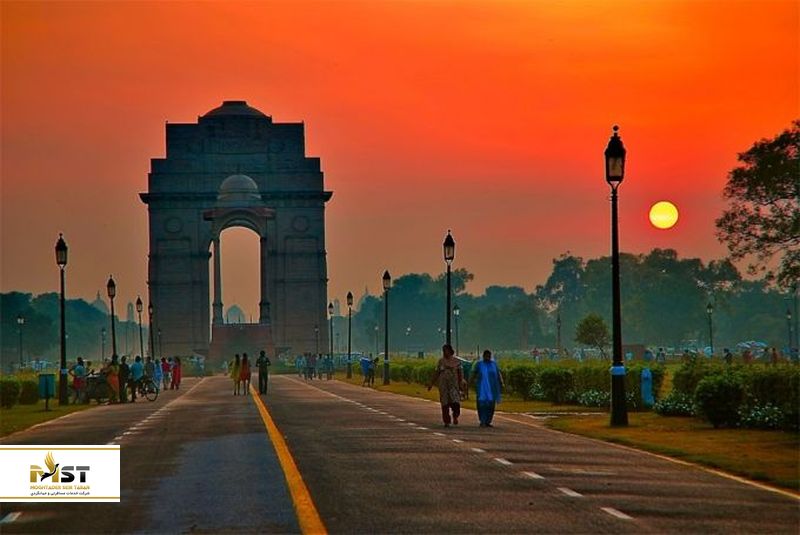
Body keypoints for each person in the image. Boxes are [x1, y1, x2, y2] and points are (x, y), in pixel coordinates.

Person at [428, 344, 464, 427]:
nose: (444, 353)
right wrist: (431, 383)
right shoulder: (441, 361)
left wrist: (461, 383)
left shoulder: (457, 361)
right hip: (443, 386)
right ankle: (446, 421)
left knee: (455, 403)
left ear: (450, 351)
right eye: (443, 351)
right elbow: (437, 372)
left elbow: (460, 374)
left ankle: (455, 416)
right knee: (445, 404)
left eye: (446, 351)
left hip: (454, 385)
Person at [471, 350, 504, 427]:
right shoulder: (479, 364)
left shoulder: (494, 364)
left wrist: (501, 382)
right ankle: (482, 420)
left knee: (491, 406)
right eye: (486, 356)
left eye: (489, 356)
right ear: (483, 356)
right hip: (482, 388)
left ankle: (488, 421)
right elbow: (474, 373)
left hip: (492, 388)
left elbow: (498, 374)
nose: (487, 358)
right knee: (482, 405)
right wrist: (471, 382)